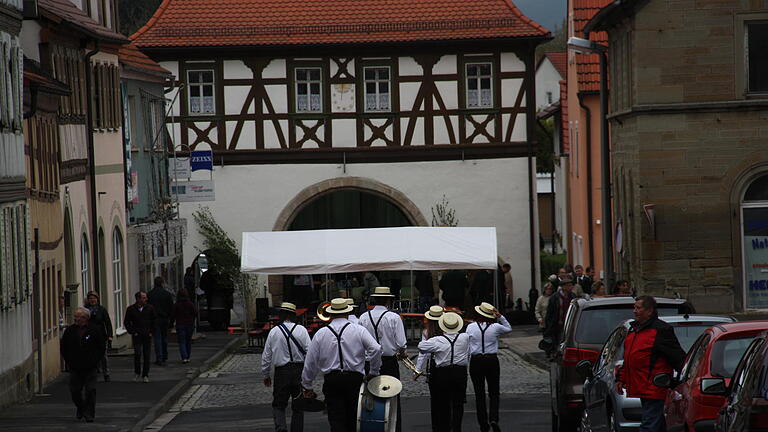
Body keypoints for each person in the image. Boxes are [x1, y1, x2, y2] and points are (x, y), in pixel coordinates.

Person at [301, 298, 382, 432]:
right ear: (347, 312)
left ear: (331, 314)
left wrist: (307, 384)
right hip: (354, 379)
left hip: (332, 380)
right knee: (354, 418)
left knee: (335, 419)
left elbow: (311, 361)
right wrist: (374, 371)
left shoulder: (321, 333)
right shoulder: (358, 330)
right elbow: (376, 349)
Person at [617, 296, 685, 432]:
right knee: (656, 423)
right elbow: (629, 359)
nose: (634, 311)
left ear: (649, 311)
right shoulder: (634, 330)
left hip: (654, 387)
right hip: (642, 386)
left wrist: (685, 377)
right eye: (634, 308)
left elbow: (677, 357)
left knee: (649, 424)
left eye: (638, 308)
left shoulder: (660, 330)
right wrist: (621, 378)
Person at [358, 286, 407, 432]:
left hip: (369, 362)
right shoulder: (394, 317)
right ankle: (394, 428)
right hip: (388, 361)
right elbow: (401, 343)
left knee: (369, 398)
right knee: (393, 398)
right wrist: (402, 352)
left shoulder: (363, 317)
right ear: (388, 300)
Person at [418, 312, 470, 432]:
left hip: (443, 373)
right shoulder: (464, 337)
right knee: (458, 403)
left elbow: (421, 346)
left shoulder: (437, 340)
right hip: (460, 372)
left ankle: (444, 428)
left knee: (443, 403)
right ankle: (457, 428)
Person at [262, 302, 311, 432]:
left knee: (279, 404)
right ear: (294, 315)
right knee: (298, 406)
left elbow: (266, 356)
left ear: (281, 315)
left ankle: (281, 428)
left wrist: (266, 374)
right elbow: (310, 354)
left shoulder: (274, 332)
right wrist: (309, 376)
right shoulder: (302, 330)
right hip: (299, 371)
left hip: (282, 372)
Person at [467, 302, 512, 432]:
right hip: (491, 360)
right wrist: (500, 316)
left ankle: (483, 423)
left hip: (476, 361)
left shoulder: (471, 327)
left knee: (479, 394)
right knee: (494, 392)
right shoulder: (496, 327)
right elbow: (508, 328)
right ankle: (493, 418)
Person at [60, 307, 106, 423]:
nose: (76, 318)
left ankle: (89, 413)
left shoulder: (94, 330)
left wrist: (95, 360)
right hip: (75, 366)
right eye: (75, 316)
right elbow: (64, 348)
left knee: (90, 390)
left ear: (85, 318)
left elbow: (101, 347)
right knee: (75, 391)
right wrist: (69, 361)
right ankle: (81, 407)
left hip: (90, 366)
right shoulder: (70, 331)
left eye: (78, 316)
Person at [415, 305, 444, 432]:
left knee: (435, 400)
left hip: (433, 367)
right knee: (446, 399)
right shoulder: (446, 330)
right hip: (445, 366)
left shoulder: (427, 333)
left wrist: (417, 369)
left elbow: (423, 354)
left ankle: (436, 427)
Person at [124, 291, 156, 382]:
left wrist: (151, 331)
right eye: (144, 297)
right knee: (137, 354)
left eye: (145, 297)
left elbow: (154, 320)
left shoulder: (150, 308)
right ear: (138, 299)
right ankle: (137, 372)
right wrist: (132, 332)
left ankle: (145, 375)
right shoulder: (131, 309)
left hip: (147, 334)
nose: (146, 299)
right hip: (137, 334)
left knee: (147, 355)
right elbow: (127, 322)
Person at [85, 291, 113, 382]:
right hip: (89, 335)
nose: (92, 300)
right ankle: (92, 372)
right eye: (90, 298)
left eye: (94, 298)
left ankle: (106, 373)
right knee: (90, 354)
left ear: (97, 299)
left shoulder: (102, 310)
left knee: (103, 355)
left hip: (101, 335)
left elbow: (108, 323)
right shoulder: (86, 310)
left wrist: (110, 335)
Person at [148, 276, 174, 366]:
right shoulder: (167, 294)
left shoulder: (150, 294)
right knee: (164, 338)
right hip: (164, 318)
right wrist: (171, 321)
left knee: (157, 339)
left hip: (154, 319)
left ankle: (159, 357)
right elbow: (171, 308)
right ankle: (164, 355)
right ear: (162, 283)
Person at [544, 278, 576, 346]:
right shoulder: (555, 297)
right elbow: (550, 312)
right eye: (569, 285)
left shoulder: (573, 296)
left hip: (569, 322)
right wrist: (549, 325)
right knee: (558, 340)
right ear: (564, 287)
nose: (571, 287)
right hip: (558, 323)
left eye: (571, 285)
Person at [171, 289, 197, 363]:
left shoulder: (177, 304)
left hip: (180, 324)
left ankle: (184, 357)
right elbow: (195, 313)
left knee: (182, 342)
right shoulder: (190, 304)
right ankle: (188, 356)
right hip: (189, 324)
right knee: (188, 341)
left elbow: (173, 315)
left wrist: (171, 323)